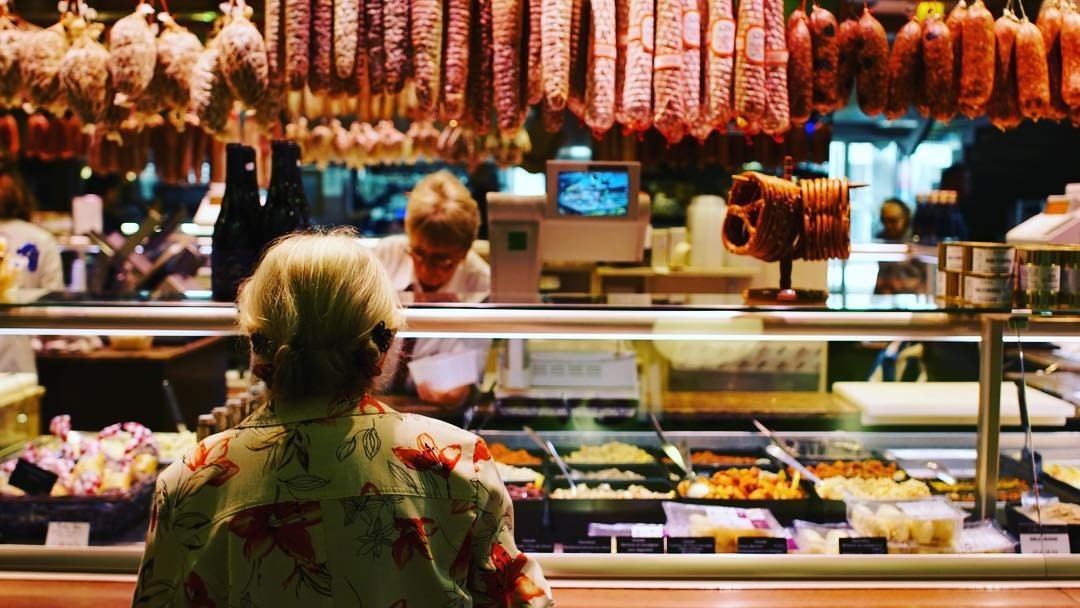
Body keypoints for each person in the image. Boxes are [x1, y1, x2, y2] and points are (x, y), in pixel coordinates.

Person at [133, 229, 553, 607]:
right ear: (383, 346)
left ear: (257, 347)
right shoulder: (456, 463)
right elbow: (520, 600)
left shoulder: (192, 481)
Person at [374, 171, 490, 407]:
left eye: (441, 260)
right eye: (418, 253)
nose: (426, 269)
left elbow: (470, 365)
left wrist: (459, 392)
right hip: (371, 400)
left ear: (464, 253)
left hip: (435, 410)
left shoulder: (480, 283)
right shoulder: (382, 257)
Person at [0, 165, 64, 374]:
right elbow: (54, 309)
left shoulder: (41, 239)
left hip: (16, 352)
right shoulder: (41, 239)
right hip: (16, 358)